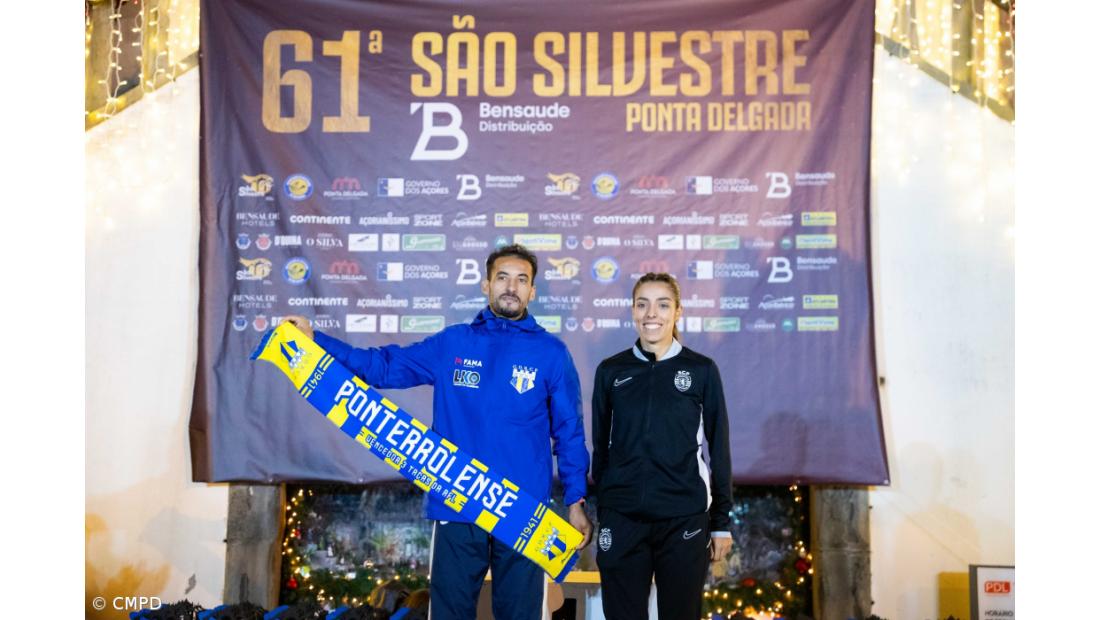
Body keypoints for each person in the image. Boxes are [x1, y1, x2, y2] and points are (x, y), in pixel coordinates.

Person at [282, 244, 592, 620]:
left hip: (522, 513)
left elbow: (569, 432)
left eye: (521, 280)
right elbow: (382, 366)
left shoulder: (552, 353)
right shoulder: (453, 343)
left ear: (532, 291)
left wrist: (576, 500)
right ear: (486, 285)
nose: (511, 287)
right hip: (457, 502)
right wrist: (316, 340)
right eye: (502, 278)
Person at [590, 272, 733, 620]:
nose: (651, 313)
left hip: (683, 518)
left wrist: (721, 522)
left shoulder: (701, 370)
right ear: (632, 311)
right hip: (623, 519)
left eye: (663, 305)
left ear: (678, 311)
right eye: (643, 305)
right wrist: (607, 507)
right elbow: (601, 447)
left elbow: (719, 449)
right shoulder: (611, 371)